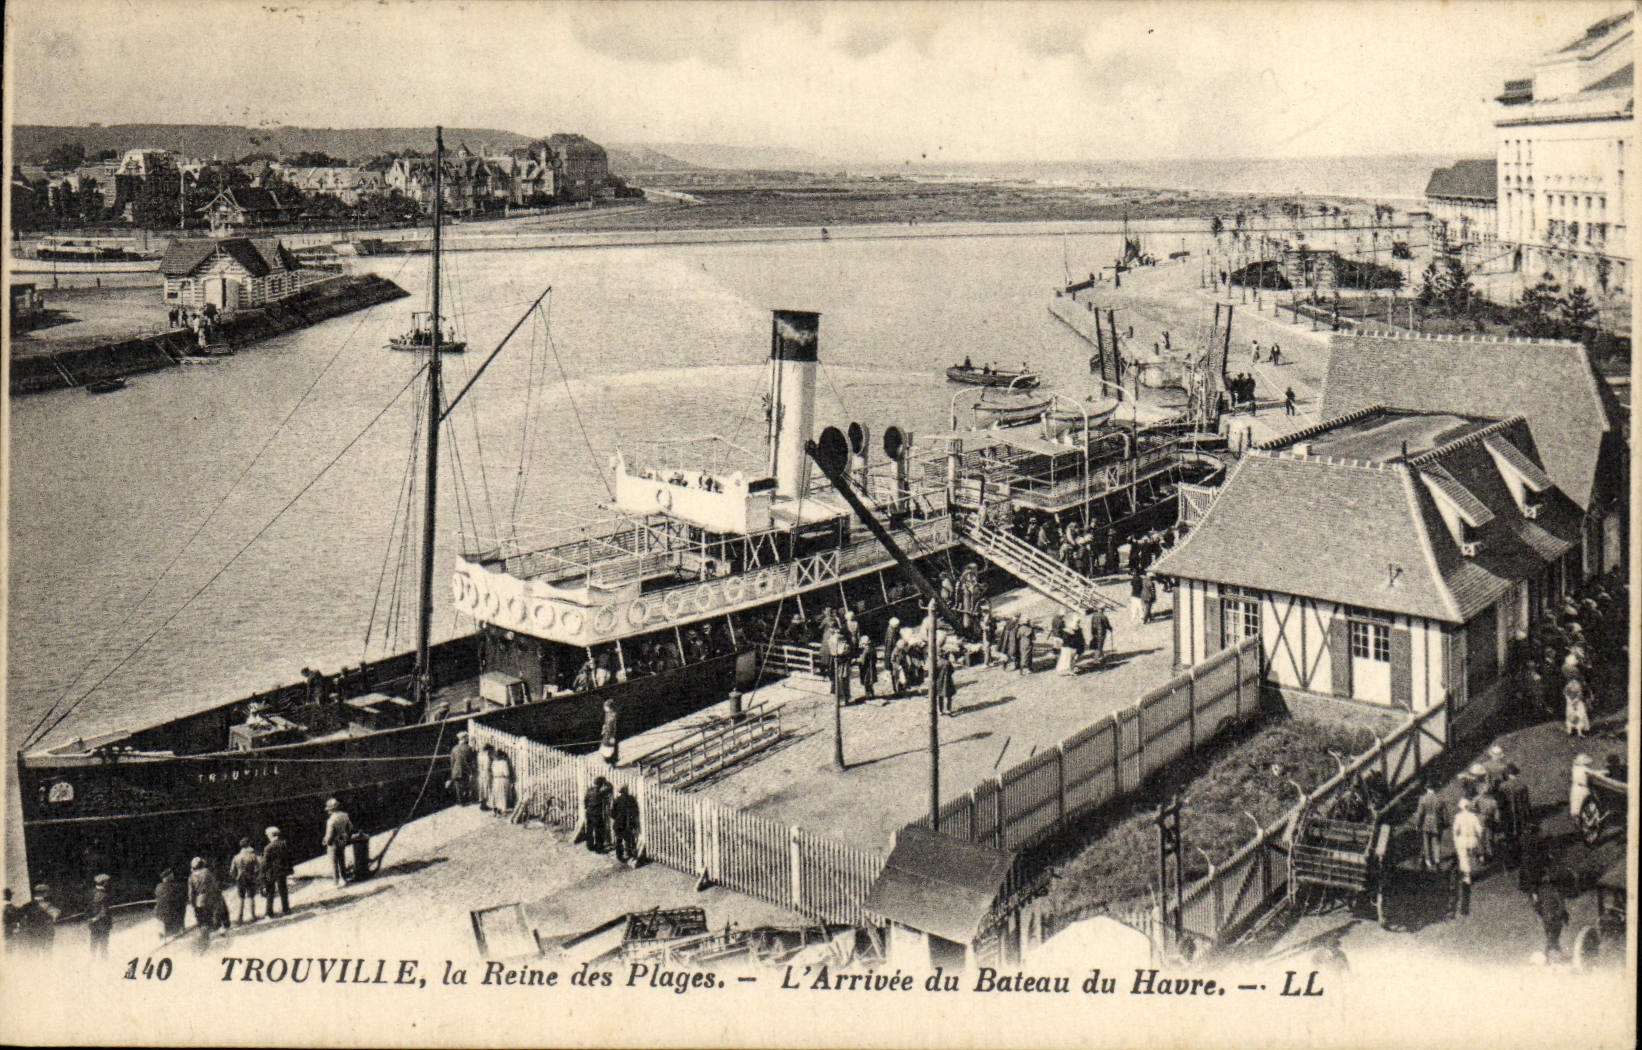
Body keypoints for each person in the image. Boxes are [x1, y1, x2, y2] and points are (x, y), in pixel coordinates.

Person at [1451, 798, 1483, 916]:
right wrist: (1478, 836)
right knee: (1471, 856)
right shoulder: (1473, 816)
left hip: (1463, 840)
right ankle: (1471, 869)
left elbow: (1455, 830)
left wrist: (1455, 839)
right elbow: (1479, 829)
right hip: (1472, 840)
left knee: (1463, 859)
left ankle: (1467, 875)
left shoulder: (1458, 817)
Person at [187, 859, 227, 946]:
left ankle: (205, 939)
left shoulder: (192, 876)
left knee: (203, 921)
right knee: (214, 916)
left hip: (199, 901)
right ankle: (219, 931)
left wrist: (192, 903)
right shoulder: (208, 872)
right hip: (210, 899)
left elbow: (191, 892)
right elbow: (215, 885)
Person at [1532, 871, 1569, 962]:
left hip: (1546, 918)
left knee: (1551, 938)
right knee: (1553, 938)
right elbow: (1561, 905)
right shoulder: (1555, 891)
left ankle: (1551, 956)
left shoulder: (1541, 891)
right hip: (1555, 918)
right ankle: (1551, 956)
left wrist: (1541, 914)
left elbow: (1537, 905)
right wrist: (1560, 915)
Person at [14, 884, 59, 953]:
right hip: (46, 934)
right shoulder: (48, 906)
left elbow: (18, 916)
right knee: (47, 955)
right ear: (45, 893)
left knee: (34, 954)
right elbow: (55, 915)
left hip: (33, 934)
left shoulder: (27, 905)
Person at [1413, 783, 1447, 871]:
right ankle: (1437, 860)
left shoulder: (1423, 798)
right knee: (1436, 842)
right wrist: (1444, 823)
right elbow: (1444, 813)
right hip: (1436, 822)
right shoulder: (1439, 798)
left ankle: (1428, 861)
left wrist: (1417, 824)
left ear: (1426, 788)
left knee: (1426, 842)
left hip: (1426, 822)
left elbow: (1420, 813)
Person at [229, 838, 262, 924]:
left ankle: (240, 918)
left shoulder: (236, 857)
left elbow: (232, 871)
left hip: (240, 879)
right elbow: (258, 867)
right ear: (247, 846)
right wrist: (255, 875)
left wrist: (236, 877)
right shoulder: (252, 855)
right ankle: (253, 916)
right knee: (251, 897)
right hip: (250, 877)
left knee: (241, 898)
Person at [323, 798, 354, 887]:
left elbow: (329, 836)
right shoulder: (345, 815)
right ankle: (344, 878)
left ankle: (336, 882)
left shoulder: (331, 821)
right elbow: (351, 827)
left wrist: (326, 842)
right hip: (342, 841)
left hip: (333, 843)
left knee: (334, 863)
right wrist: (345, 836)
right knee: (342, 860)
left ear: (331, 809)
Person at [261, 827, 291, 918]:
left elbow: (265, 863)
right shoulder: (284, 843)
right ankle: (286, 909)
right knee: (283, 890)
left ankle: (269, 913)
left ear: (271, 835)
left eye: (268, 835)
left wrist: (262, 874)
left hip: (271, 871)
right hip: (282, 870)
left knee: (270, 892)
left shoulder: (268, 847)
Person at [610, 785, 641, 866]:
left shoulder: (617, 800)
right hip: (629, 823)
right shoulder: (631, 799)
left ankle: (619, 855)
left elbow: (612, 814)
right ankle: (630, 855)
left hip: (619, 824)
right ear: (627, 790)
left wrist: (617, 818)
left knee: (618, 840)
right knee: (629, 839)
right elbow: (636, 811)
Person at [154, 869, 188, 938]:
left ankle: (166, 930)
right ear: (168, 877)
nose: (173, 876)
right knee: (181, 905)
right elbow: (180, 898)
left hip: (160, 912)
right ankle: (179, 927)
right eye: (171, 875)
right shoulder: (174, 886)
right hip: (171, 911)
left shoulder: (158, 886)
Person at [87, 873, 113, 958]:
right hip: (103, 922)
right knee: (104, 943)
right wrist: (96, 918)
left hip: (92, 923)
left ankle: (92, 959)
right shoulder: (105, 895)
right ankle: (103, 961)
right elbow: (103, 911)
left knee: (93, 942)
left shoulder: (90, 893)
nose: (108, 884)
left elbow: (87, 908)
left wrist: (90, 919)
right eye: (107, 882)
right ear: (104, 883)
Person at [583, 777, 611, 853]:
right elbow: (609, 789)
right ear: (601, 784)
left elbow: (585, 801)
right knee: (599, 831)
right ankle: (599, 848)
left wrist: (587, 807)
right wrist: (607, 784)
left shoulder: (589, 790)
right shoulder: (600, 793)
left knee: (589, 830)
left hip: (589, 813)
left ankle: (590, 846)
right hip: (597, 815)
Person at [450, 732, 476, 804]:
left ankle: (460, 801)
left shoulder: (454, 748)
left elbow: (452, 762)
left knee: (458, 787)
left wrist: (453, 771)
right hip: (465, 770)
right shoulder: (468, 748)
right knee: (465, 785)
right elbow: (471, 761)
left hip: (456, 771)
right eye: (467, 737)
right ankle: (466, 800)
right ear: (464, 739)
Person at [600, 697, 621, 767]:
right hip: (607, 734)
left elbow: (614, 727)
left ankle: (612, 763)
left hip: (612, 735)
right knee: (606, 747)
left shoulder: (614, 716)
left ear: (610, 707)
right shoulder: (607, 714)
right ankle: (608, 761)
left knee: (611, 749)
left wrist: (613, 737)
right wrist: (604, 728)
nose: (604, 708)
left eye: (605, 707)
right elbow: (605, 723)